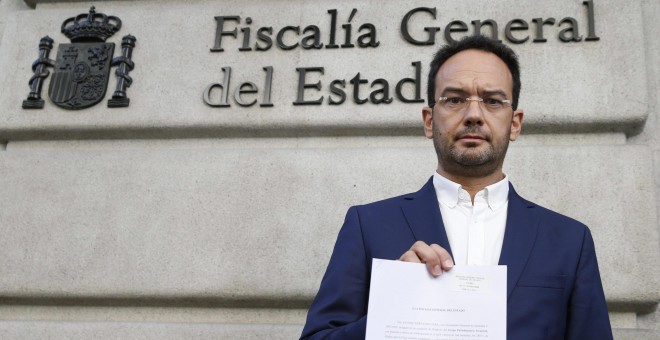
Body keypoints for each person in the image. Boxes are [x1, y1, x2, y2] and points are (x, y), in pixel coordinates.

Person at [300, 35, 613, 340]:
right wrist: (392, 310)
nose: (474, 115)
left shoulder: (570, 240)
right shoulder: (367, 225)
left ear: (515, 123)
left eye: (492, 101)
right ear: (429, 120)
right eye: (454, 100)